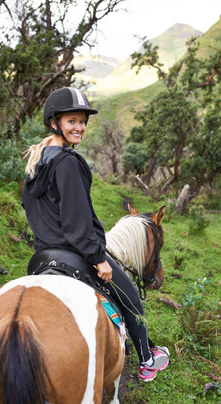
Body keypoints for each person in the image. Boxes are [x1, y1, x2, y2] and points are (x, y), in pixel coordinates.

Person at [22, 87, 169, 382]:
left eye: (82, 121)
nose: (79, 127)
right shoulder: (67, 163)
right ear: (55, 122)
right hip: (75, 252)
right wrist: (97, 258)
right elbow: (77, 221)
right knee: (131, 299)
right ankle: (147, 357)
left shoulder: (36, 163)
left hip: (42, 256)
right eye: (72, 121)